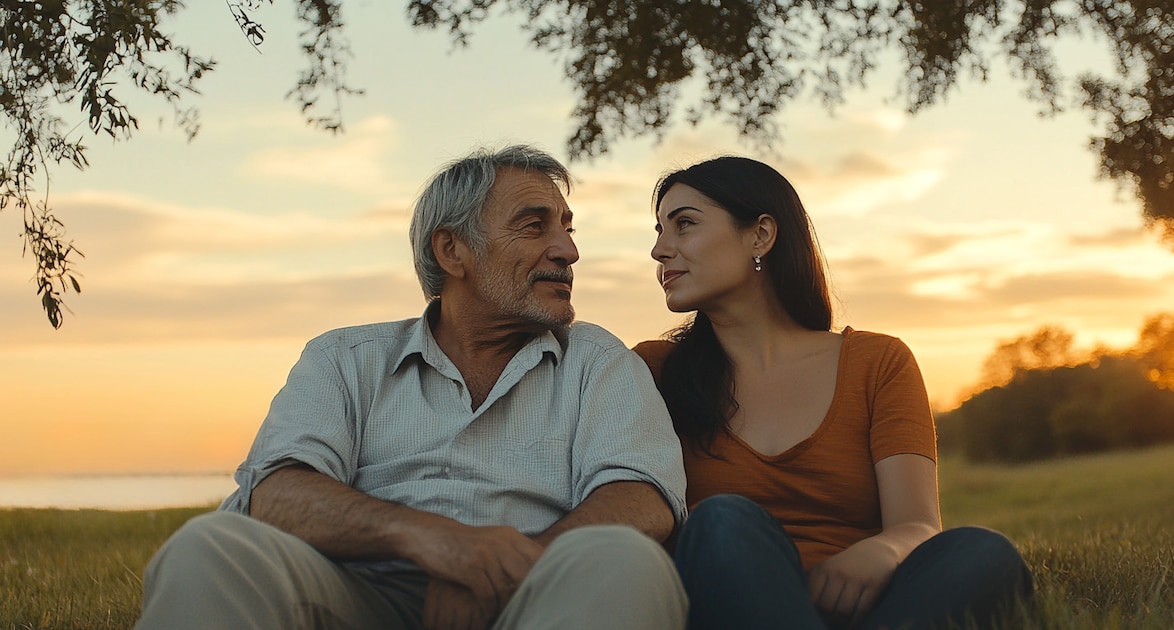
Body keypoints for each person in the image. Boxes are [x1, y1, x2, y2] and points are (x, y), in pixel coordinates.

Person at [136, 145, 689, 630]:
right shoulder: (344, 359)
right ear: (452, 251)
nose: (567, 251)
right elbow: (276, 494)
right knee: (210, 547)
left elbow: (641, 498)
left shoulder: (597, 360)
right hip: (356, 596)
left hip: (533, 601)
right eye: (533, 226)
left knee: (625, 561)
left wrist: (498, 570)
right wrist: (435, 541)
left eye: (568, 228)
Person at [633, 156, 1033, 630]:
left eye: (684, 225)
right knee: (721, 520)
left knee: (984, 552)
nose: (659, 250)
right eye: (659, 231)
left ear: (760, 235)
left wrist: (883, 550)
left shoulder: (878, 362)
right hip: (732, 599)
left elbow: (917, 525)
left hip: (872, 605)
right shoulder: (652, 371)